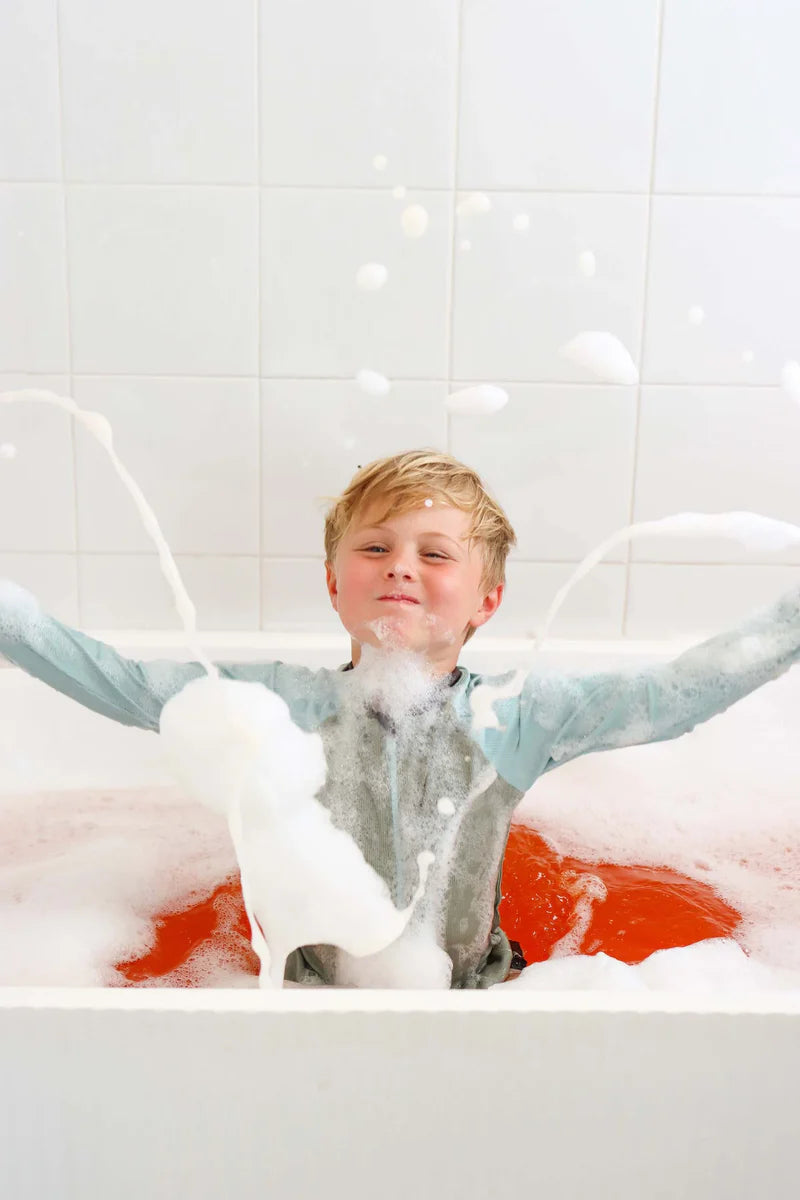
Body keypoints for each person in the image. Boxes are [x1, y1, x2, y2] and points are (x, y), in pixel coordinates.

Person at [2, 448, 800, 988]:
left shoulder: (519, 715)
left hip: (470, 988)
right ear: (332, 582)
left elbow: (670, 697)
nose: (401, 568)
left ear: (487, 600)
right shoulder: (272, 707)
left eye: (436, 553)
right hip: (304, 992)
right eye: (375, 548)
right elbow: (120, 681)